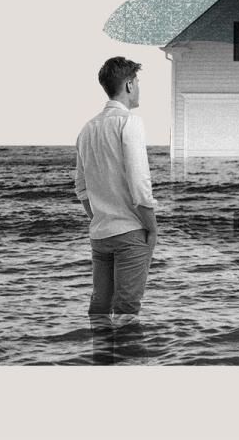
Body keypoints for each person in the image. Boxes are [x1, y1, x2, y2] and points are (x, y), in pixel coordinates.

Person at [74, 57, 159, 328]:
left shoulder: (87, 129)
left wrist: (100, 215)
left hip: (100, 234)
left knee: (100, 307)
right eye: (138, 83)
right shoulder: (130, 123)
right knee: (127, 311)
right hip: (129, 233)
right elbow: (139, 183)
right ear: (130, 84)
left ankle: (99, 360)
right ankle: (126, 364)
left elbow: (82, 188)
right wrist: (152, 228)